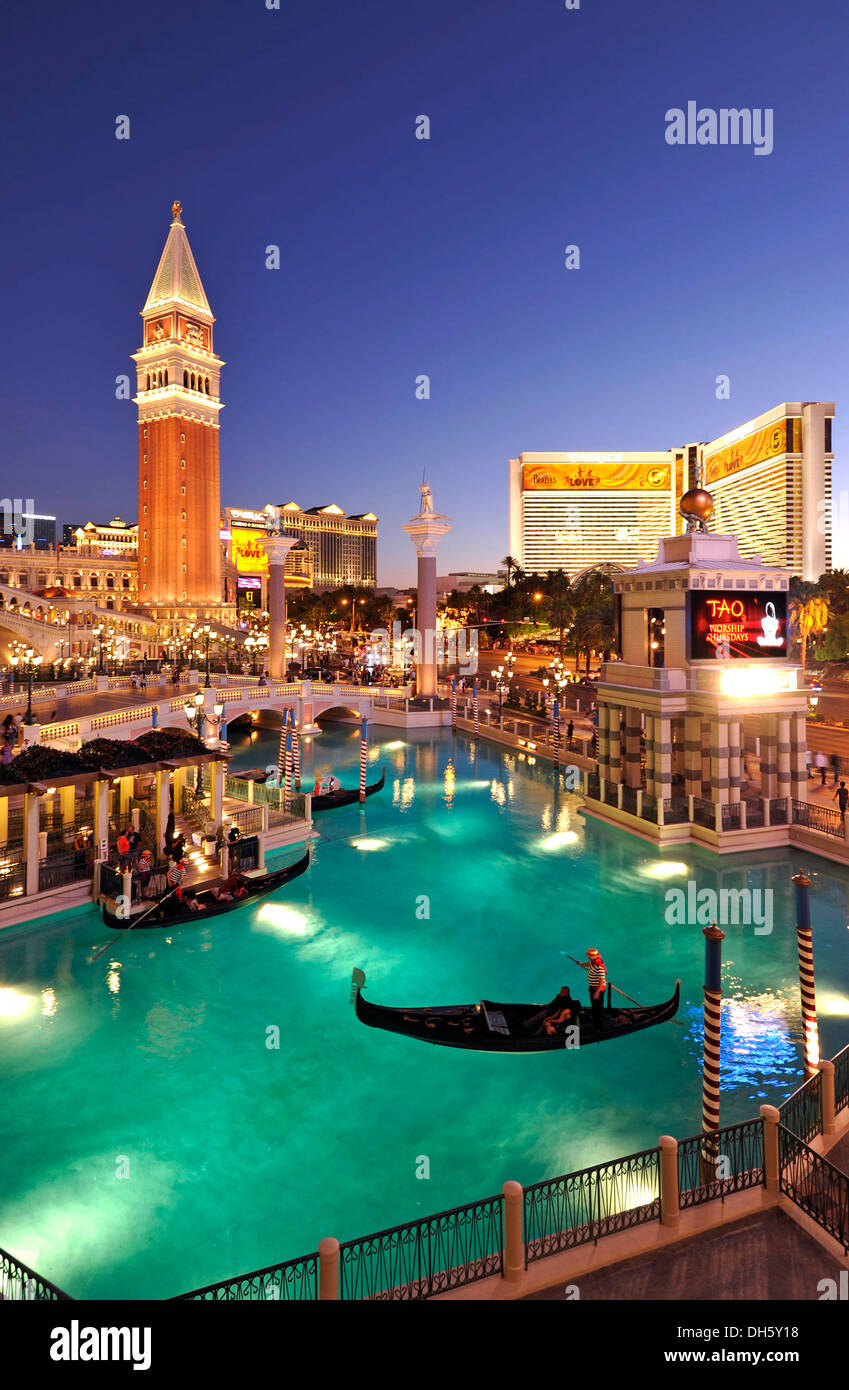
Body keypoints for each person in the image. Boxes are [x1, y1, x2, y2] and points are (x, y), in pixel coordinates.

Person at [578, 949, 608, 1031]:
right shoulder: (593, 961)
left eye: (589, 956)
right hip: (593, 988)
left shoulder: (599, 966)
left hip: (598, 990)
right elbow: (589, 963)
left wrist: (597, 993)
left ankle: (599, 1027)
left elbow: (601, 980)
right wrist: (581, 964)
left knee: (598, 1009)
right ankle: (596, 1024)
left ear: (593, 956)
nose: (588, 957)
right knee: (594, 1007)